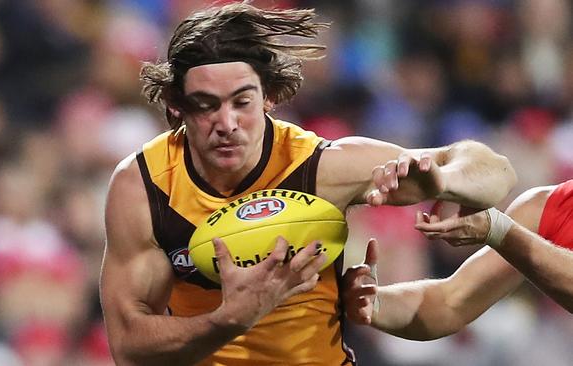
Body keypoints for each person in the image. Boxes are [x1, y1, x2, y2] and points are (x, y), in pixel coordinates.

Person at [99, 3, 517, 365]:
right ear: (178, 106)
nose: (226, 124)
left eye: (242, 103)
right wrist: (228, 320)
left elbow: (496, 173)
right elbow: (128, 348)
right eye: (205, 106)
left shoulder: (320, 167)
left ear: (270, 98)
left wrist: (441, 177)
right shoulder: (145, 187)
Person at [347, 179, 573, 340]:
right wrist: (373, 302)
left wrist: (499, 231)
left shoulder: (517, 225)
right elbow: (450, 303)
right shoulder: (542, 207)